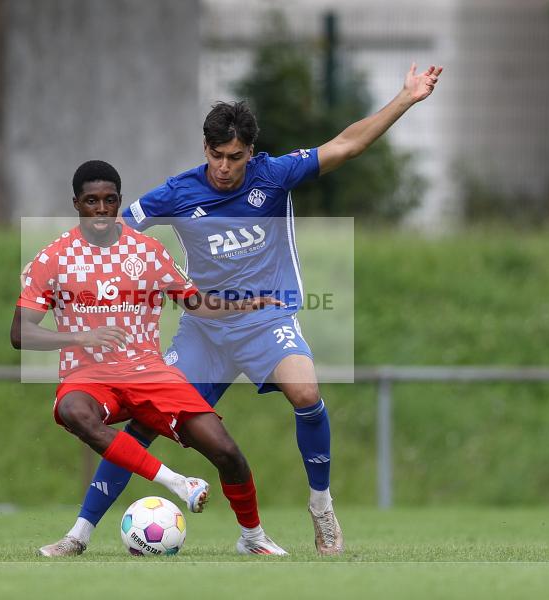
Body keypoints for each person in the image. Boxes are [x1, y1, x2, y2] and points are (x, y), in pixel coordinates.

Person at [31, 64, 443, 557]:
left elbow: (347, 145)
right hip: (204, 330)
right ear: (205, 148)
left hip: (266, 320)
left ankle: (320, 505)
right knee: (143, 425)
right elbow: (115, 232)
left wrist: (406, 98)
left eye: (236, 157)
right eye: (216, 155)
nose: (225, 167)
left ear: (251, 151)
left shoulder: (275, 175)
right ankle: (78, 534)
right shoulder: (179, 191)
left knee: (306, 391)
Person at [13, 160, 289, 556]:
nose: (101, 209)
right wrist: (79, 336)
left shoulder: (148, 251)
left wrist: (246, 304)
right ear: (76, 203)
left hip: (148, 374)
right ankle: (173, 484)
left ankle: (253, 538)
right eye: (91, 201)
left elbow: (196, 303)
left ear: (119, 201)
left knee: (225, 451)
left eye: (109, 200)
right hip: (89, 376)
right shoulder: (53, 258)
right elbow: (20, 332)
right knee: (74, 411)